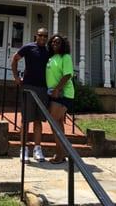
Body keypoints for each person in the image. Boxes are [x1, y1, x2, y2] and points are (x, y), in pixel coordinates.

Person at [11, 27, 49, 163]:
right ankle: (24, 149)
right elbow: (15, 59)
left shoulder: (48, 51)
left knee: (39, 120)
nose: (43, 38)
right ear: (36, 36)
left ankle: (37, 149)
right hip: (28, 87)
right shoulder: (28, 47)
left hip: (43, 89)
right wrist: (16, 77)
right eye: (41, 35)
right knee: (26, 119)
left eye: (45, 36)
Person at [46, 34, 74, 164]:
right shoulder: (51, 58)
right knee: (57, 123)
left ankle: (60, 154)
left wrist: (57, 89)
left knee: (54, 123)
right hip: (53, 93)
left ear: (63, 44)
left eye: (57, 42)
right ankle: (62, 152)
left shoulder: (65, 57)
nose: (54, 44)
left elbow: (67, 75)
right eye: (53, 42)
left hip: (63, 93)